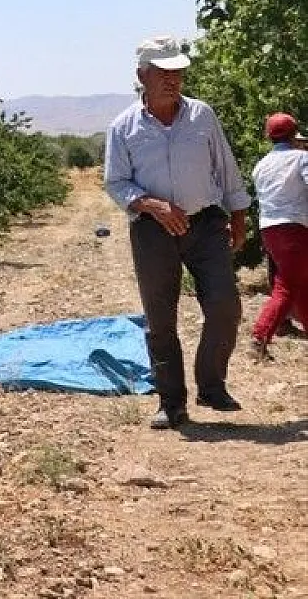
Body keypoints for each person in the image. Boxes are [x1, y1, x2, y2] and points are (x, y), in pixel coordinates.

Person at [103, 35, 250, 429]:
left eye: (178, 71)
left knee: (224, 306)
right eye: (164, 71)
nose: (173, 79)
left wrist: (238, 216)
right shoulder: (123, 127)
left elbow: (226, 167)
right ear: (142, 75)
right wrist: (152, 205)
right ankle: (171, 403)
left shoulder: (202, 115)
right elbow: (116, 183)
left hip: (205, 223)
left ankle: (211, 385)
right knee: (160, 319)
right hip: (152, 230)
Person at [248, 112, 308, 361]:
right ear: (294, 134)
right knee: (288, 285)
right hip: (294, 227)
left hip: (269, 230)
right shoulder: (301, 158)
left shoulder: (261, 165)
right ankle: (259, 337)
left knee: (301, 284)